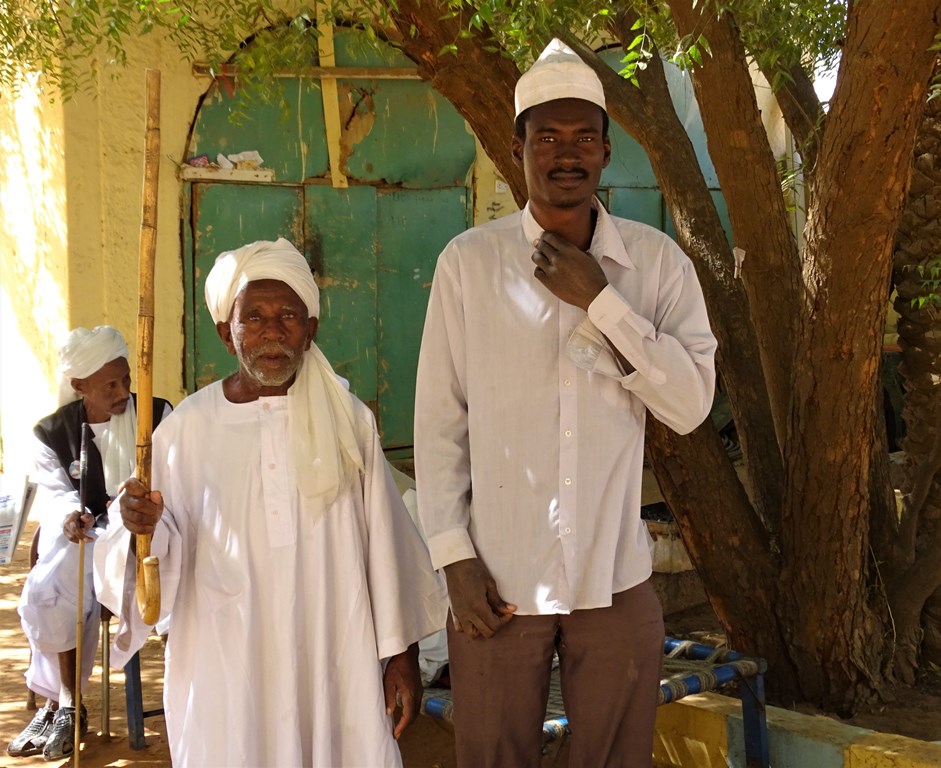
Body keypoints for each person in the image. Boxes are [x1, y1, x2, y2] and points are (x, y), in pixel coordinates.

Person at [413, 39, 717, 767]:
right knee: (492, 754)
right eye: (546, 137)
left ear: (607, 151)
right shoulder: (469, 264)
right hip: (498, 580)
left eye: (583, 136)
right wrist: (452, 556)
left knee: (616, 757)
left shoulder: (655, 265)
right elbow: (438, 422)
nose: (565, 153)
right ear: (515, 150)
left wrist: (602, 303)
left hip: (614, 577)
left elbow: (690, 404)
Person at [94, 238, 447, 767]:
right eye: (253, 317)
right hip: (227, 658)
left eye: (288, 315)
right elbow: (156, 556)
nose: (272, 331)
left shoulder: (350, 420)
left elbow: (386, 547)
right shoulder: (185, 431)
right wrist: (136, 524)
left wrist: (402, 656)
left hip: (333, 653)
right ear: (225, 332)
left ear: (311, 331)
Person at [8, 326, 171, 760]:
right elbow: (56, 489)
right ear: (80, 386)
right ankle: (64, 702)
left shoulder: (157, 413)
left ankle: (59, 703)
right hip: (87, 539)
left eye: (126, 380)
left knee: (97, 551)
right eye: (110, 385)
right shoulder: (51, 432)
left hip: (145, 536)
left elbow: (175, 478)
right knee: (57, 573)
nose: (124, 393)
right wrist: (68, 516)